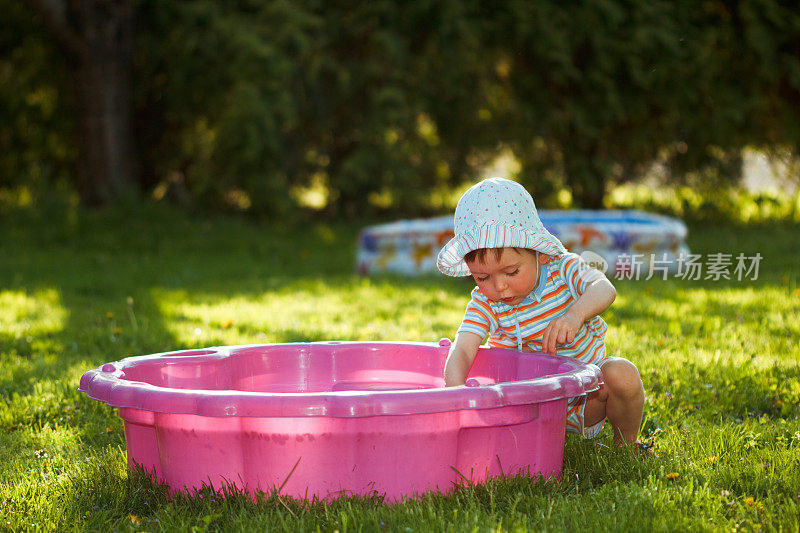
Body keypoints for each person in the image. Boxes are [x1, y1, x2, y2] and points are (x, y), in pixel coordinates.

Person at [437, 177, 646, 447]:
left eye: (512, 272)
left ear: (540, 253)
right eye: (481, 277)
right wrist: (454, 395)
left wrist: (574, 314)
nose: (499, 286)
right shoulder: (485, 303)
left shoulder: (563, 268)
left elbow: (603, 288)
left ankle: (626, 446)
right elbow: (463, 349)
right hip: (524, 409)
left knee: (623, 374)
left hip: (585, 400)